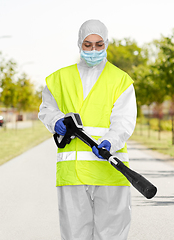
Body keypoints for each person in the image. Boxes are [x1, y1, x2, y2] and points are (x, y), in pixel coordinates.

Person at [38, 19, 137, 240]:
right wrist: (55, 121)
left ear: (107, 44)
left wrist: (110, 140)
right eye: (88, 44)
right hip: (72, 172)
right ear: (79, 45)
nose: (93, 50)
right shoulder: (59, 79)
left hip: (110, 169)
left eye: (99, 44)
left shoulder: (120, 80)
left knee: (112, 232)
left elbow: (124, 120)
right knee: (74, 233)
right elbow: (46, 109)